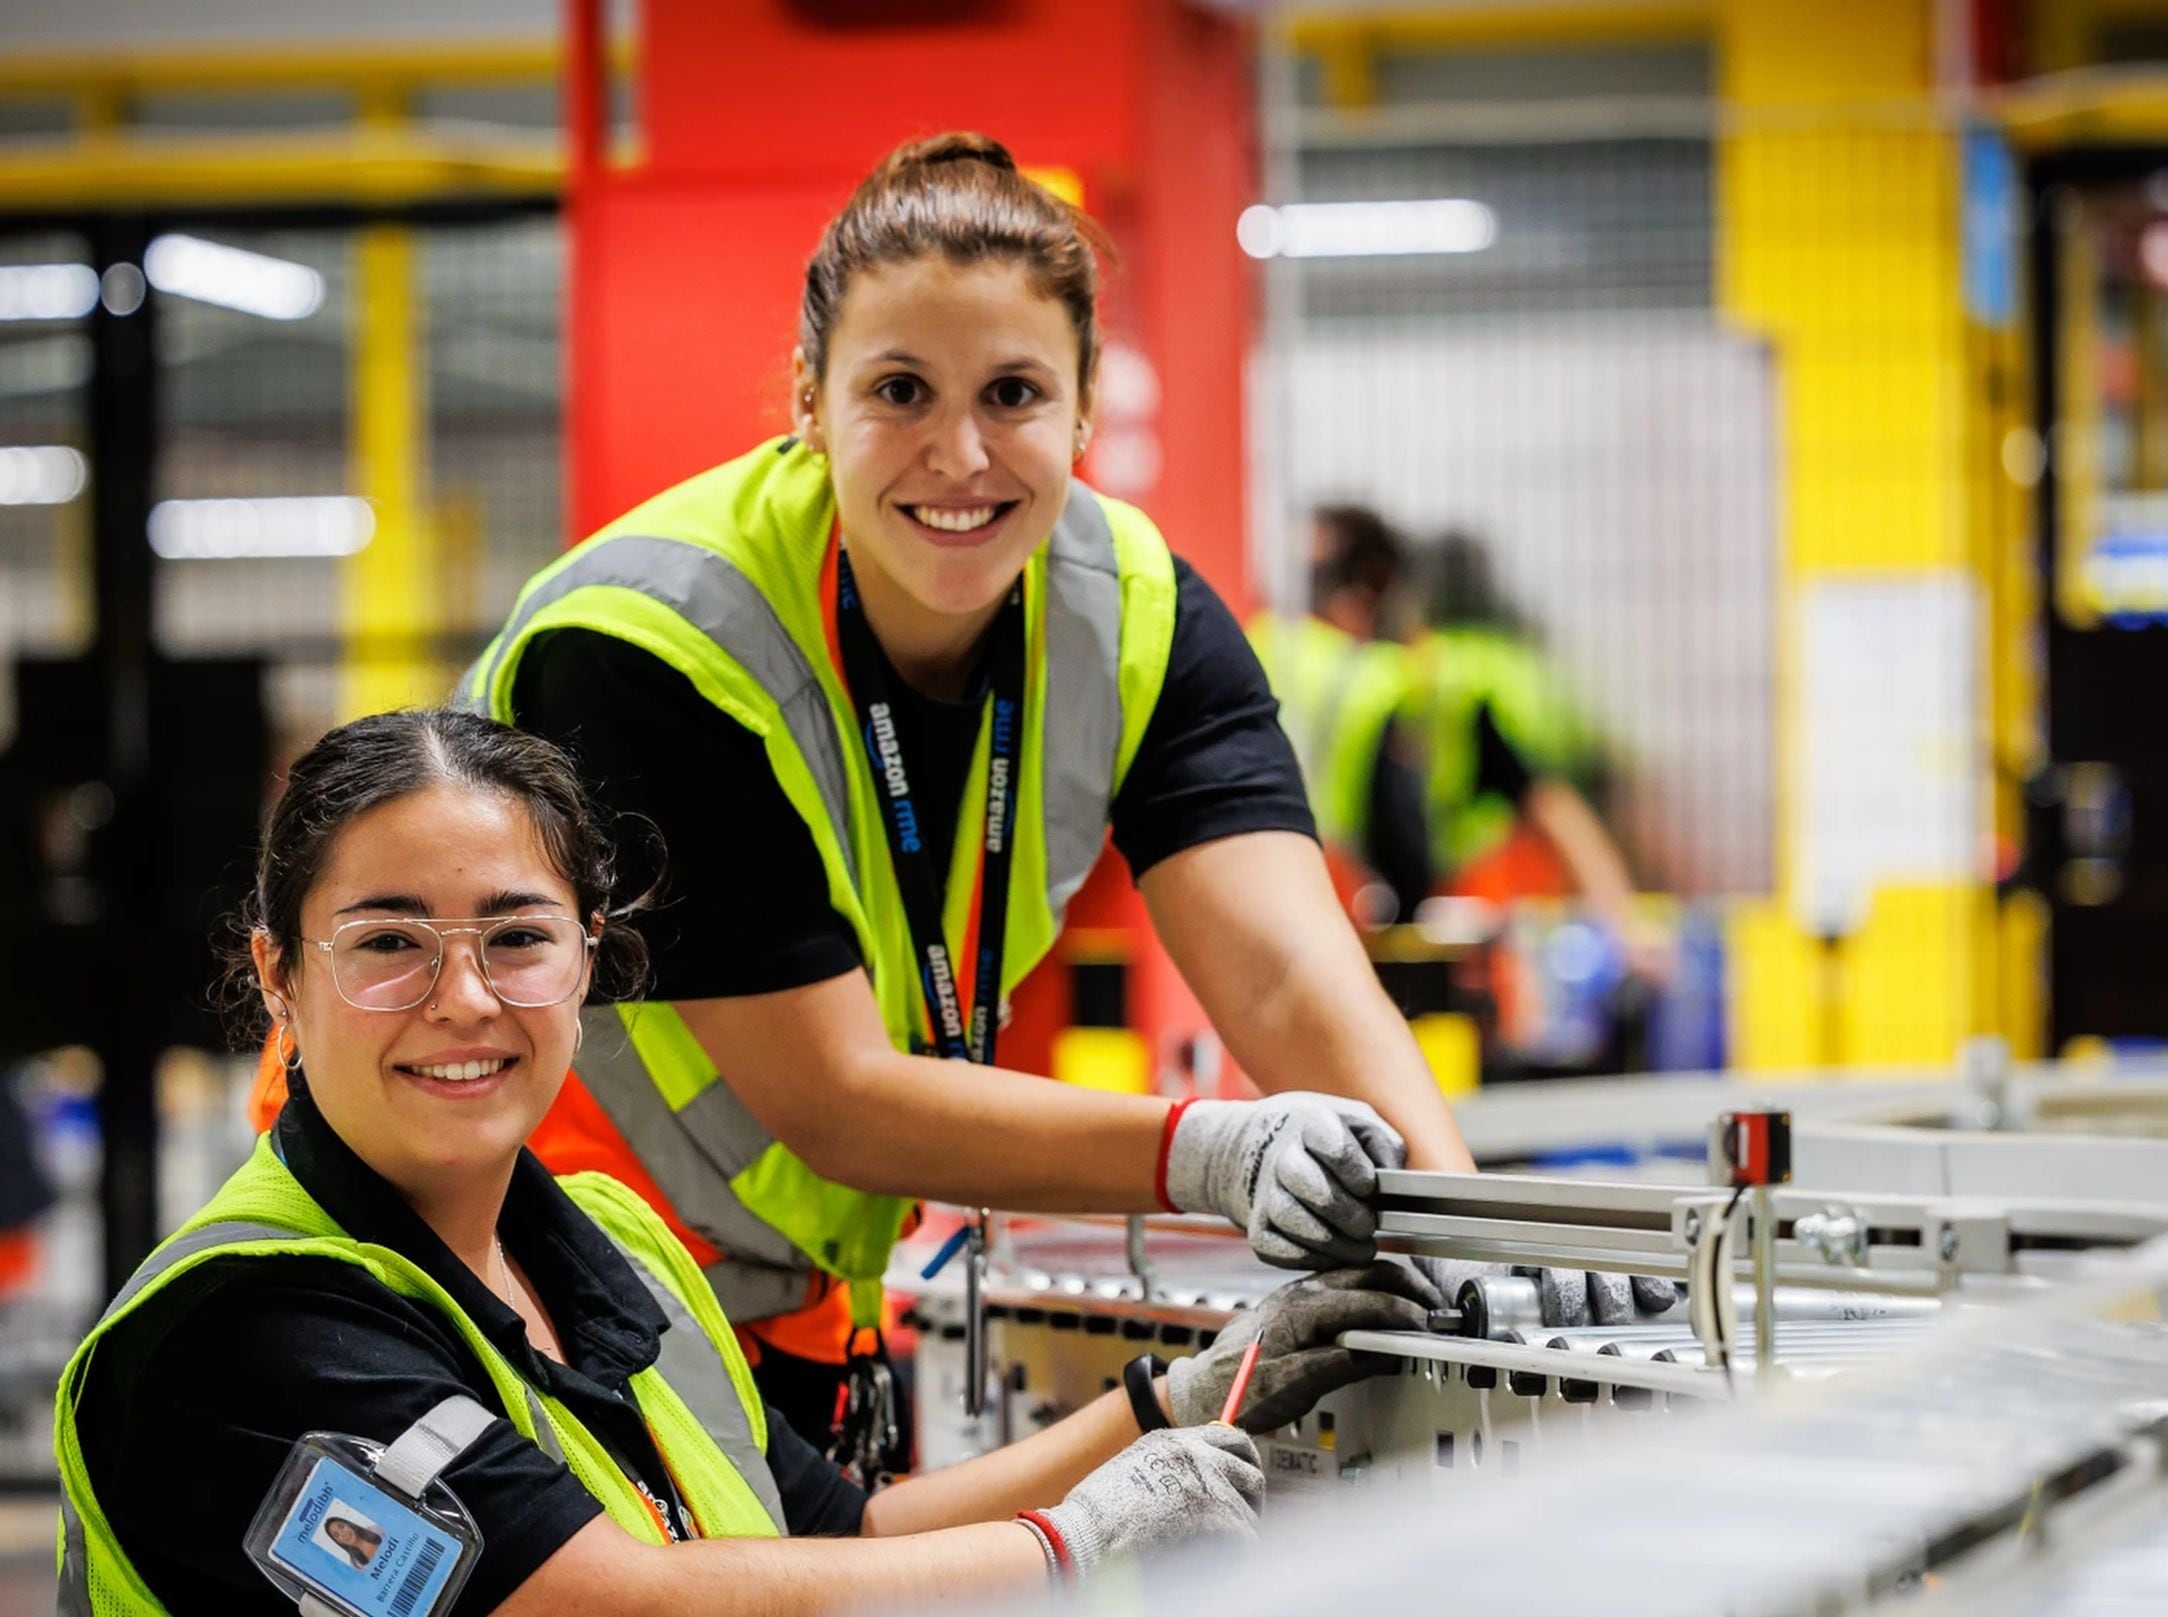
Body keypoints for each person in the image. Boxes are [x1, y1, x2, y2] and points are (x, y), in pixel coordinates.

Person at [446, 130, 1473, 1444]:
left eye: (1013, 394)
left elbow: (1284, 975)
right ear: (809, 399)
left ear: (1085, 410)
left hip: (765, 1286)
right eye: (900, 391)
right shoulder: (653, 647)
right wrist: (1213, 1153)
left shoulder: (1139, 614)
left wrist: (1466, 1233)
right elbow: (832, 1096)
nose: (961, 454)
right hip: (494, 1252)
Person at [56, 710, 1429, 1616]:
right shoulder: (243, 1331)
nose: (463, 1000)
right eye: (388, 943)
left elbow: (846, 1540)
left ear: (589, 960)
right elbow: (604, 1608)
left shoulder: (609, 1242)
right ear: (280, 977)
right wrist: (1074, 1546)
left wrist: (1171, 1403)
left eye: (518, 938)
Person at [1410, 533, 1674, 988]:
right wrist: (1624, 919)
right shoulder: (1523, 660)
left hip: (1479, 909)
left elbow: (1546, 797)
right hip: (1535, 900)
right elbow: (1569, 790)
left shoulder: (1441, 674)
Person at [1247, 504, 1434, 922]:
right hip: (1338, 910)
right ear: (1374, 582)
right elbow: (1404, 843)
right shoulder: (1377, 679)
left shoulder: (1251, 643)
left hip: (1240, 898)